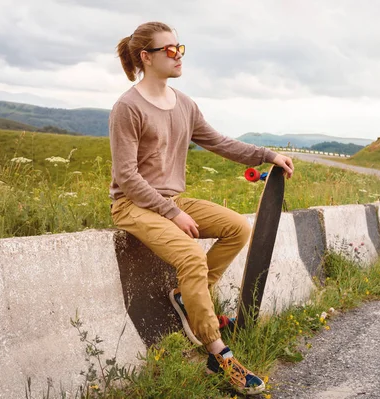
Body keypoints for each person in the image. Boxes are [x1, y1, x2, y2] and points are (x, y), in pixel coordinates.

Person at [108, 21, 294, 395]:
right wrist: (171, 212)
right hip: (133, 204)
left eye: (180, 48)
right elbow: (126, 176)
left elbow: (221, 143)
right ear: (147, 57)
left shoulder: (185, 104)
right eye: (170, 50)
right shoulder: (127, 107)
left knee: (238, 227)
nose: (178, 56)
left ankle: (189, 296)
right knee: (191, 256)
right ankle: (217, 354)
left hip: (172, 199)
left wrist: (267, 154)